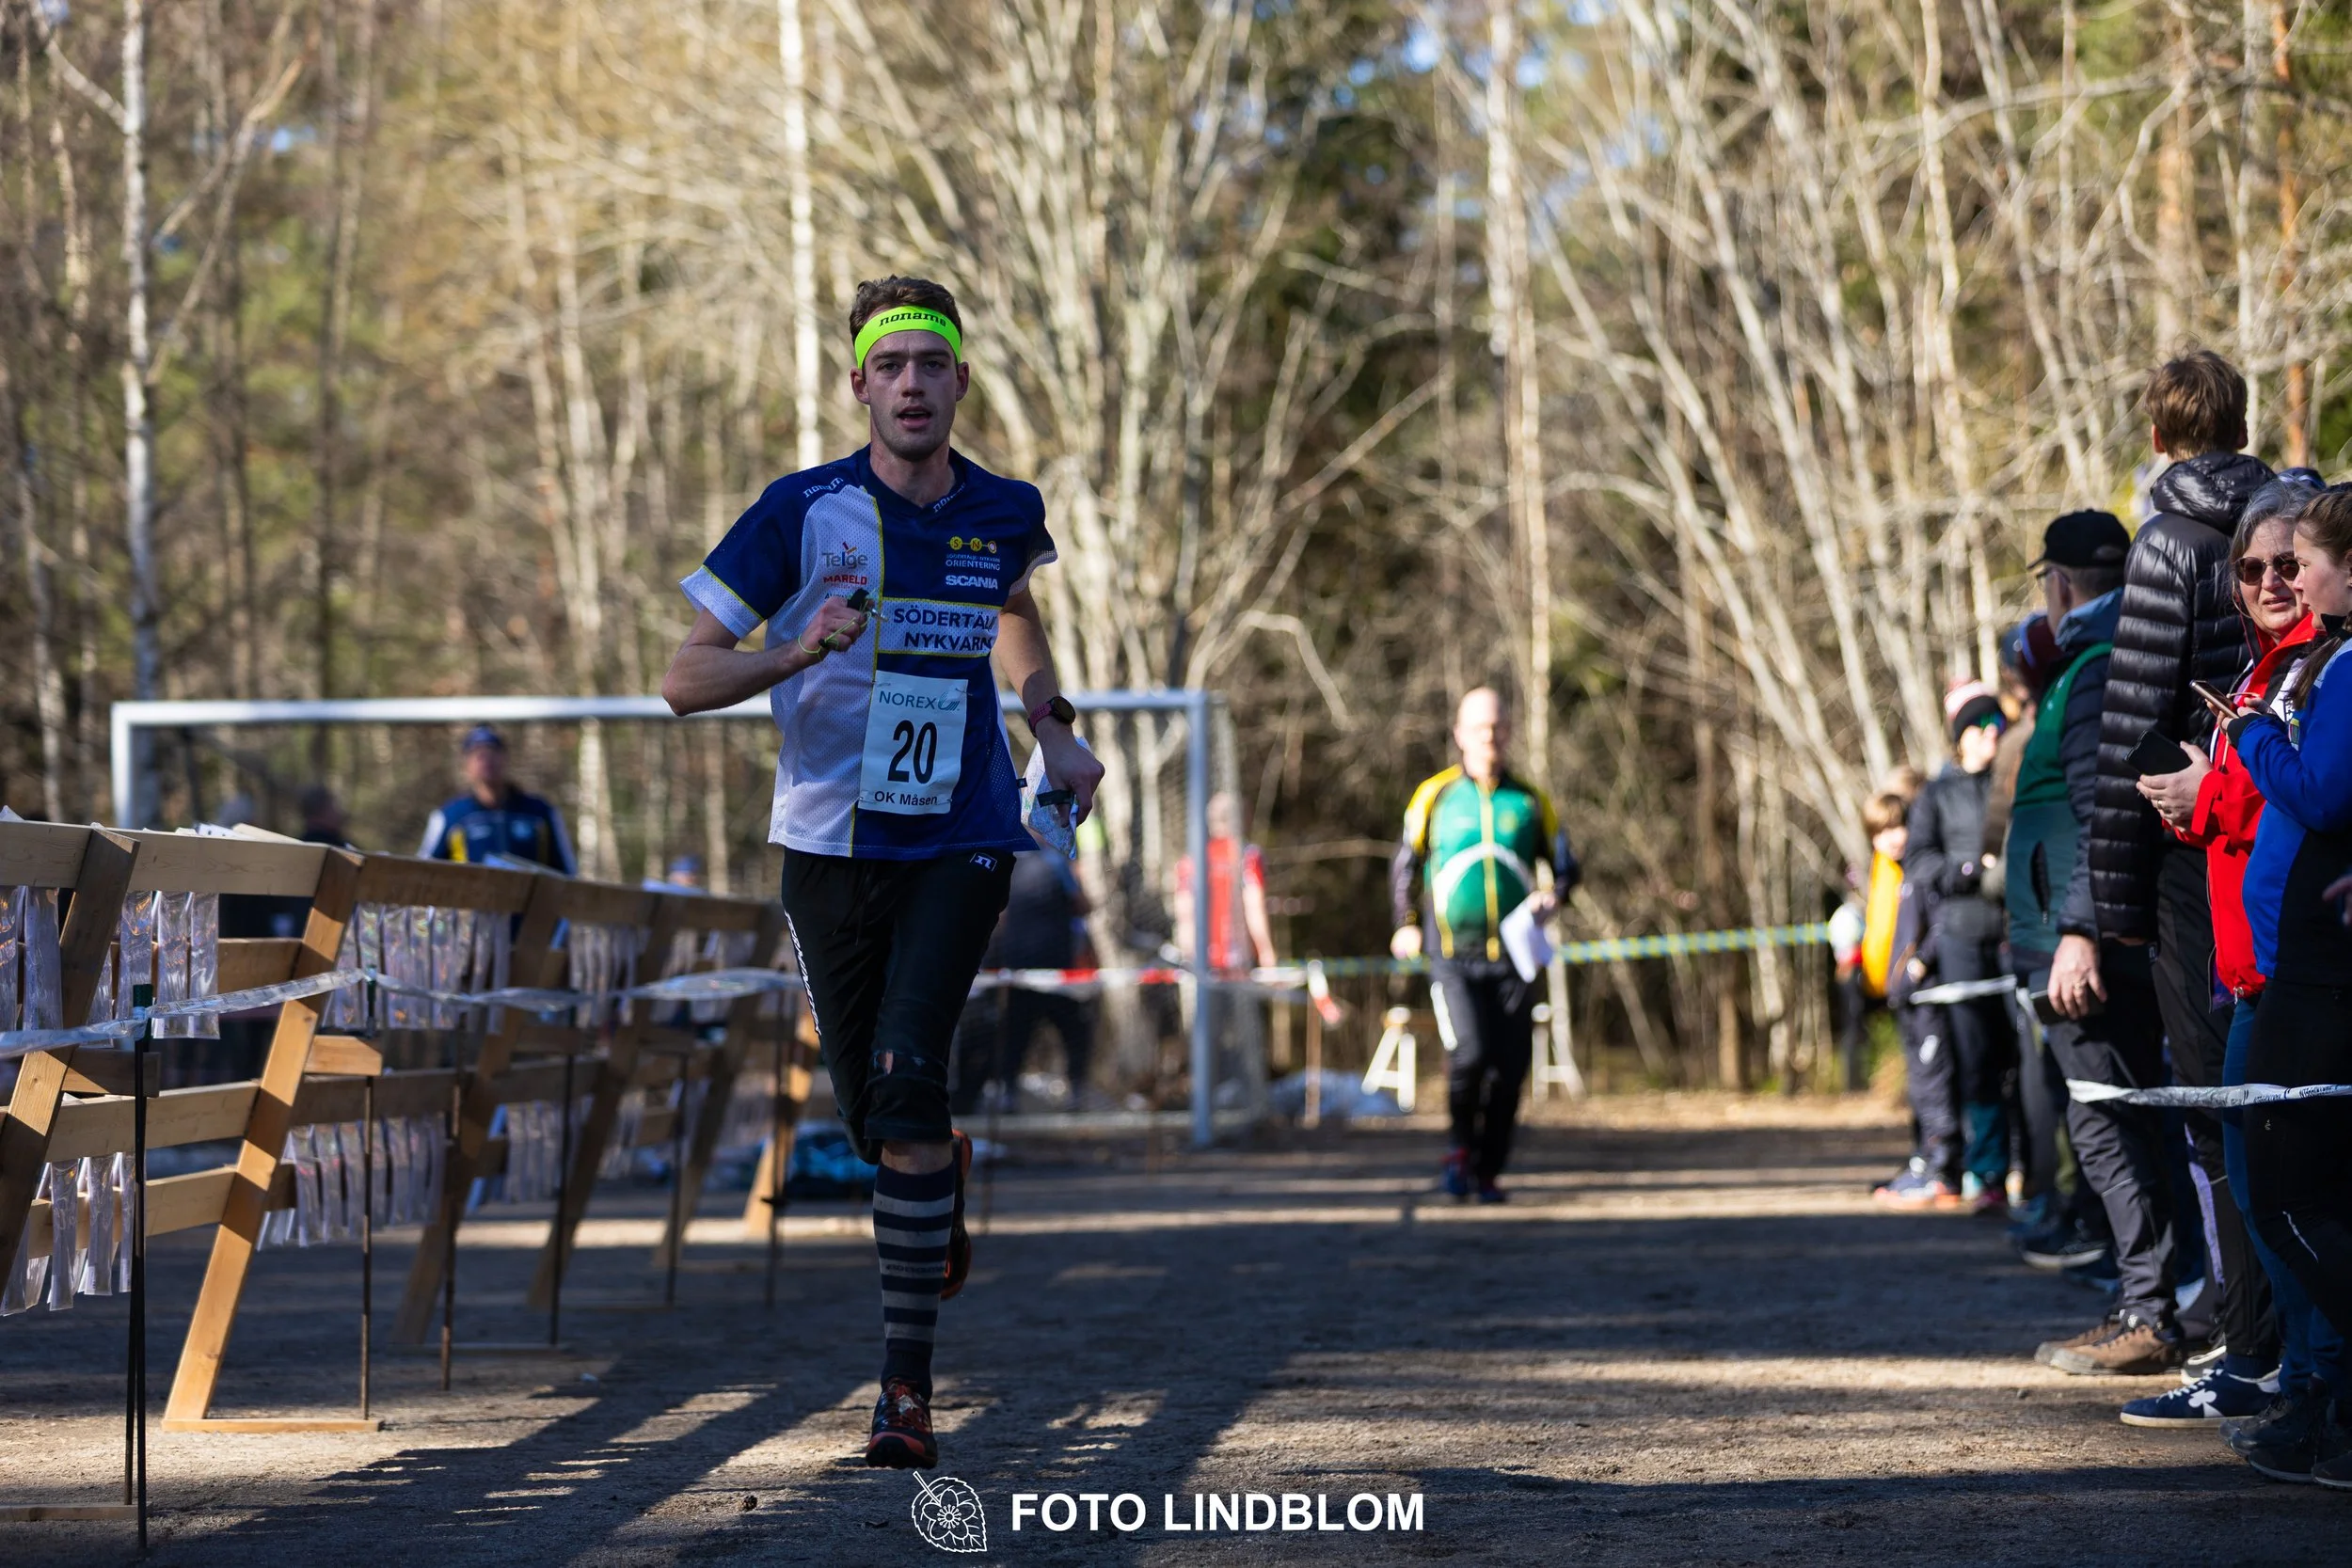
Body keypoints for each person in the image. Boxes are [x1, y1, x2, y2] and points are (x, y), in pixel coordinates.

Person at [660, 275, 1102, 1471]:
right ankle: (932, 1185)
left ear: (961, 381)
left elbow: (1011, 609)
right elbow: (681, 677)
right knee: (873, 1116)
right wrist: (797, 648)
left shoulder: (1003, 507)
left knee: (910, 1077)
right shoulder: (800, 512)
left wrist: (1050, 720)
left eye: (933, 363)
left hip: (958, 833)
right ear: (858, 385)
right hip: (827, 845)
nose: (913, 383)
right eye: (890, 364)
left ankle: (903, 1390)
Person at [2090, 351, 2275, 1384]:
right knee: (2267, 1091)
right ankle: (2251, 1323)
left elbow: (2132, 722)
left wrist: (2111, 898)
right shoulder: (2283, 522)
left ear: (2156, 437)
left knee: (2216, 1100)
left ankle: (2250, 1344)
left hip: (2185, 851)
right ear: (2238, 426)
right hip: (2264, 826)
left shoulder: (2162, 540)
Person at [2135, 473, 2328, 1438]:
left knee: (2282, 1191)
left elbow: (2290, 797)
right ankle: (2292, 1373)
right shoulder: (2255, 669)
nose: (2265, 582)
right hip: (2242, 959)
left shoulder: (2313, 666)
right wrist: (2192, 795)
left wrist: (2206, 789)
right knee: (2257, 1184)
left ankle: (2304, 1379)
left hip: (2292, 966)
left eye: (2286, 564)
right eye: (2248, 569)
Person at [2010, 510, 2183, 1376]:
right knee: (2115, 1116)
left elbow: (2098, 820)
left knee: (2107, 1119)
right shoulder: (2105, 663)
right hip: (2081, 938)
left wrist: (2076, 931)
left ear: (2061, 584)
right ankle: (2146, 1298)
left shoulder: (2088, 672)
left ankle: (2150, 1308)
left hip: (2081, 948)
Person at [2224, 484, 2352, 1484]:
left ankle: (2323, 1391)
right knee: (2286, 1184)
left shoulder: (2342, 665)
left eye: (2304, 558)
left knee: (2287, 1187)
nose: (2292, 579)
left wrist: (2256, 733)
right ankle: (2322, 1398)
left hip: (2315, 975)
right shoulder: (2330, 658)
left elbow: (2318, 789)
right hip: (2286, 963)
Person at [1390, 687, 1579, 1203]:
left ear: (1509, 731)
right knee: (1470, 1052)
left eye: (1497, 726)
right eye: (1479, 727)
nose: (1489, 736)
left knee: (1510, 1066)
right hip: (1453, 954)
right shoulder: (1436, 796)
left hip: (1515, 957)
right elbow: (1404, 865)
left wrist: (1553, 898)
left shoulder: (1530, 800)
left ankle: (1489, 1169)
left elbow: (1566, 869)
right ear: (1459, 734)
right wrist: (1405, 922)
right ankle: (1457, 1152)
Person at [1904, 683, 2017, 1215]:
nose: (1995, 734)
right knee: (1978, 1064)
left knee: (2027, 1064)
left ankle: (2033, 1171)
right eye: (1985, 726)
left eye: (1999, 724)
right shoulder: (1936, 794)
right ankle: (1988, 1170)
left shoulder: (2013, 779)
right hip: (1962, 942)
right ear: (1963, 737)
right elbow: (1919, 861)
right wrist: (1968, 874)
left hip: (2017, 937)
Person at [954, 826, 1094, 1113]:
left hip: (1024, 970)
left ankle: (1011, 1092)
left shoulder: (1003, 863)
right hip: (1053, 968)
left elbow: (997, 917)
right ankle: (1073, 1089)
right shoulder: (1055, 863)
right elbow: (1082, 905)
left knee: (1020, 1033)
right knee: (1067, 1030)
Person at [1865, 790, 1960, 1209]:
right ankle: (1923, 1160)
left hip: (1928, 997)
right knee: (1919, 1088)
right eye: (1881, 831)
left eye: (1898, 827)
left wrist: (1921, 962)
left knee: (1935, 1083)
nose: (1892, 838)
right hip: (1905, 999)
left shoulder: (1922, 874)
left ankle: (1942, 1168)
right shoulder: (1891, 879)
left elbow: (1943, 922)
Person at [418, 726, 577, 874]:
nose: (487, 761)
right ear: (467, 764)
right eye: (478, 755)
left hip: (530, 902)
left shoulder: (540, 813)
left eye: (493, 753)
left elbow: (566, 873)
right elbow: (425, 871)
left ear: (505, 758)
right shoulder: (451, 816)